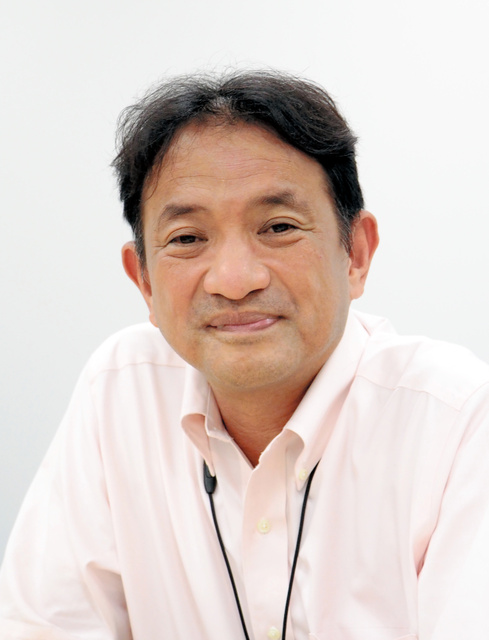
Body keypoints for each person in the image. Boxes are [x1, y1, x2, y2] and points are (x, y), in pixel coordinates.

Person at [1, 70, 488, 640]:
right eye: (187, 238)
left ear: (355, 254)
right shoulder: (121, 391)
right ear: (145, 283)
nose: (234, 280)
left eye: (278, 227)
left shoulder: (457, 418)